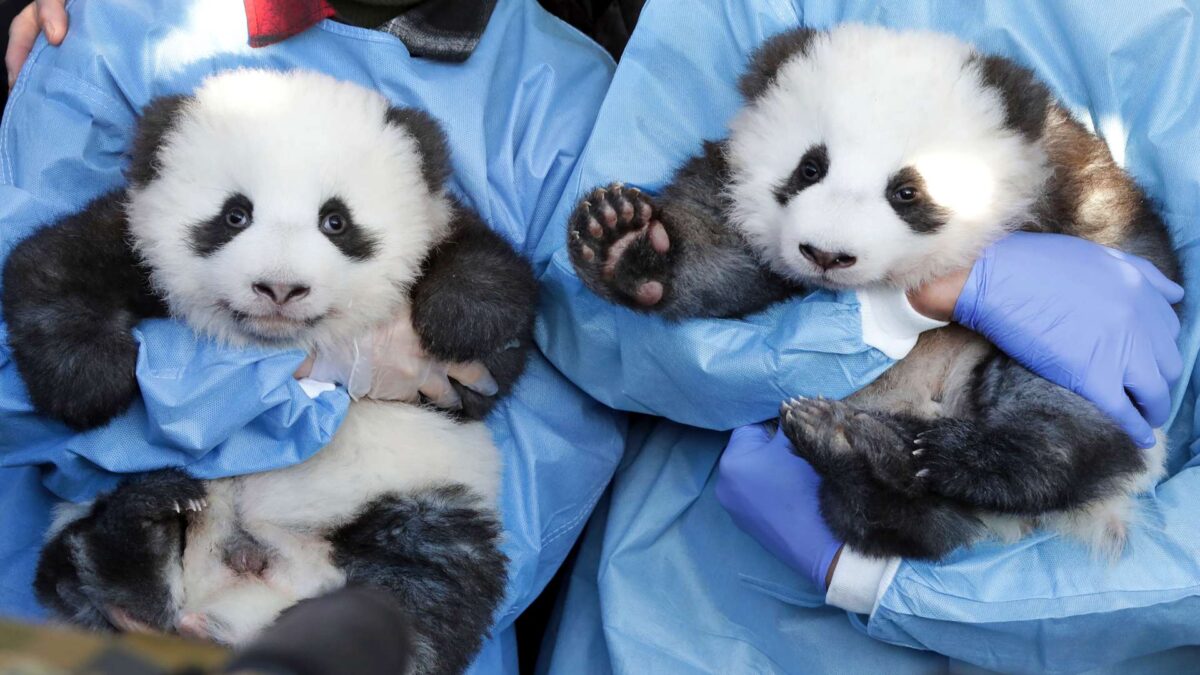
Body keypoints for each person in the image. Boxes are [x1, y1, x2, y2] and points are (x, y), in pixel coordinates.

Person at [535, 1, 1200, 673]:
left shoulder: (1158, 68)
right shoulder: (753, 29)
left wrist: (894, 587)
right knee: (703, 248)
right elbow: (592, 340)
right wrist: (896, 310)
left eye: (907, 192)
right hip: (688, 608)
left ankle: (918, 494)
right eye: (813, 170)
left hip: (1060, 561)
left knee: (1048, 432)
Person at [0, 3, 622, 675]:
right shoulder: (125, 26)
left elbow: (559, 441)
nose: (282, 279)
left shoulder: (561, 90)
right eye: (235, 215)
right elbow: (22, 369)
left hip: (356, 569)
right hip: (129, 604)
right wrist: (293, 371)